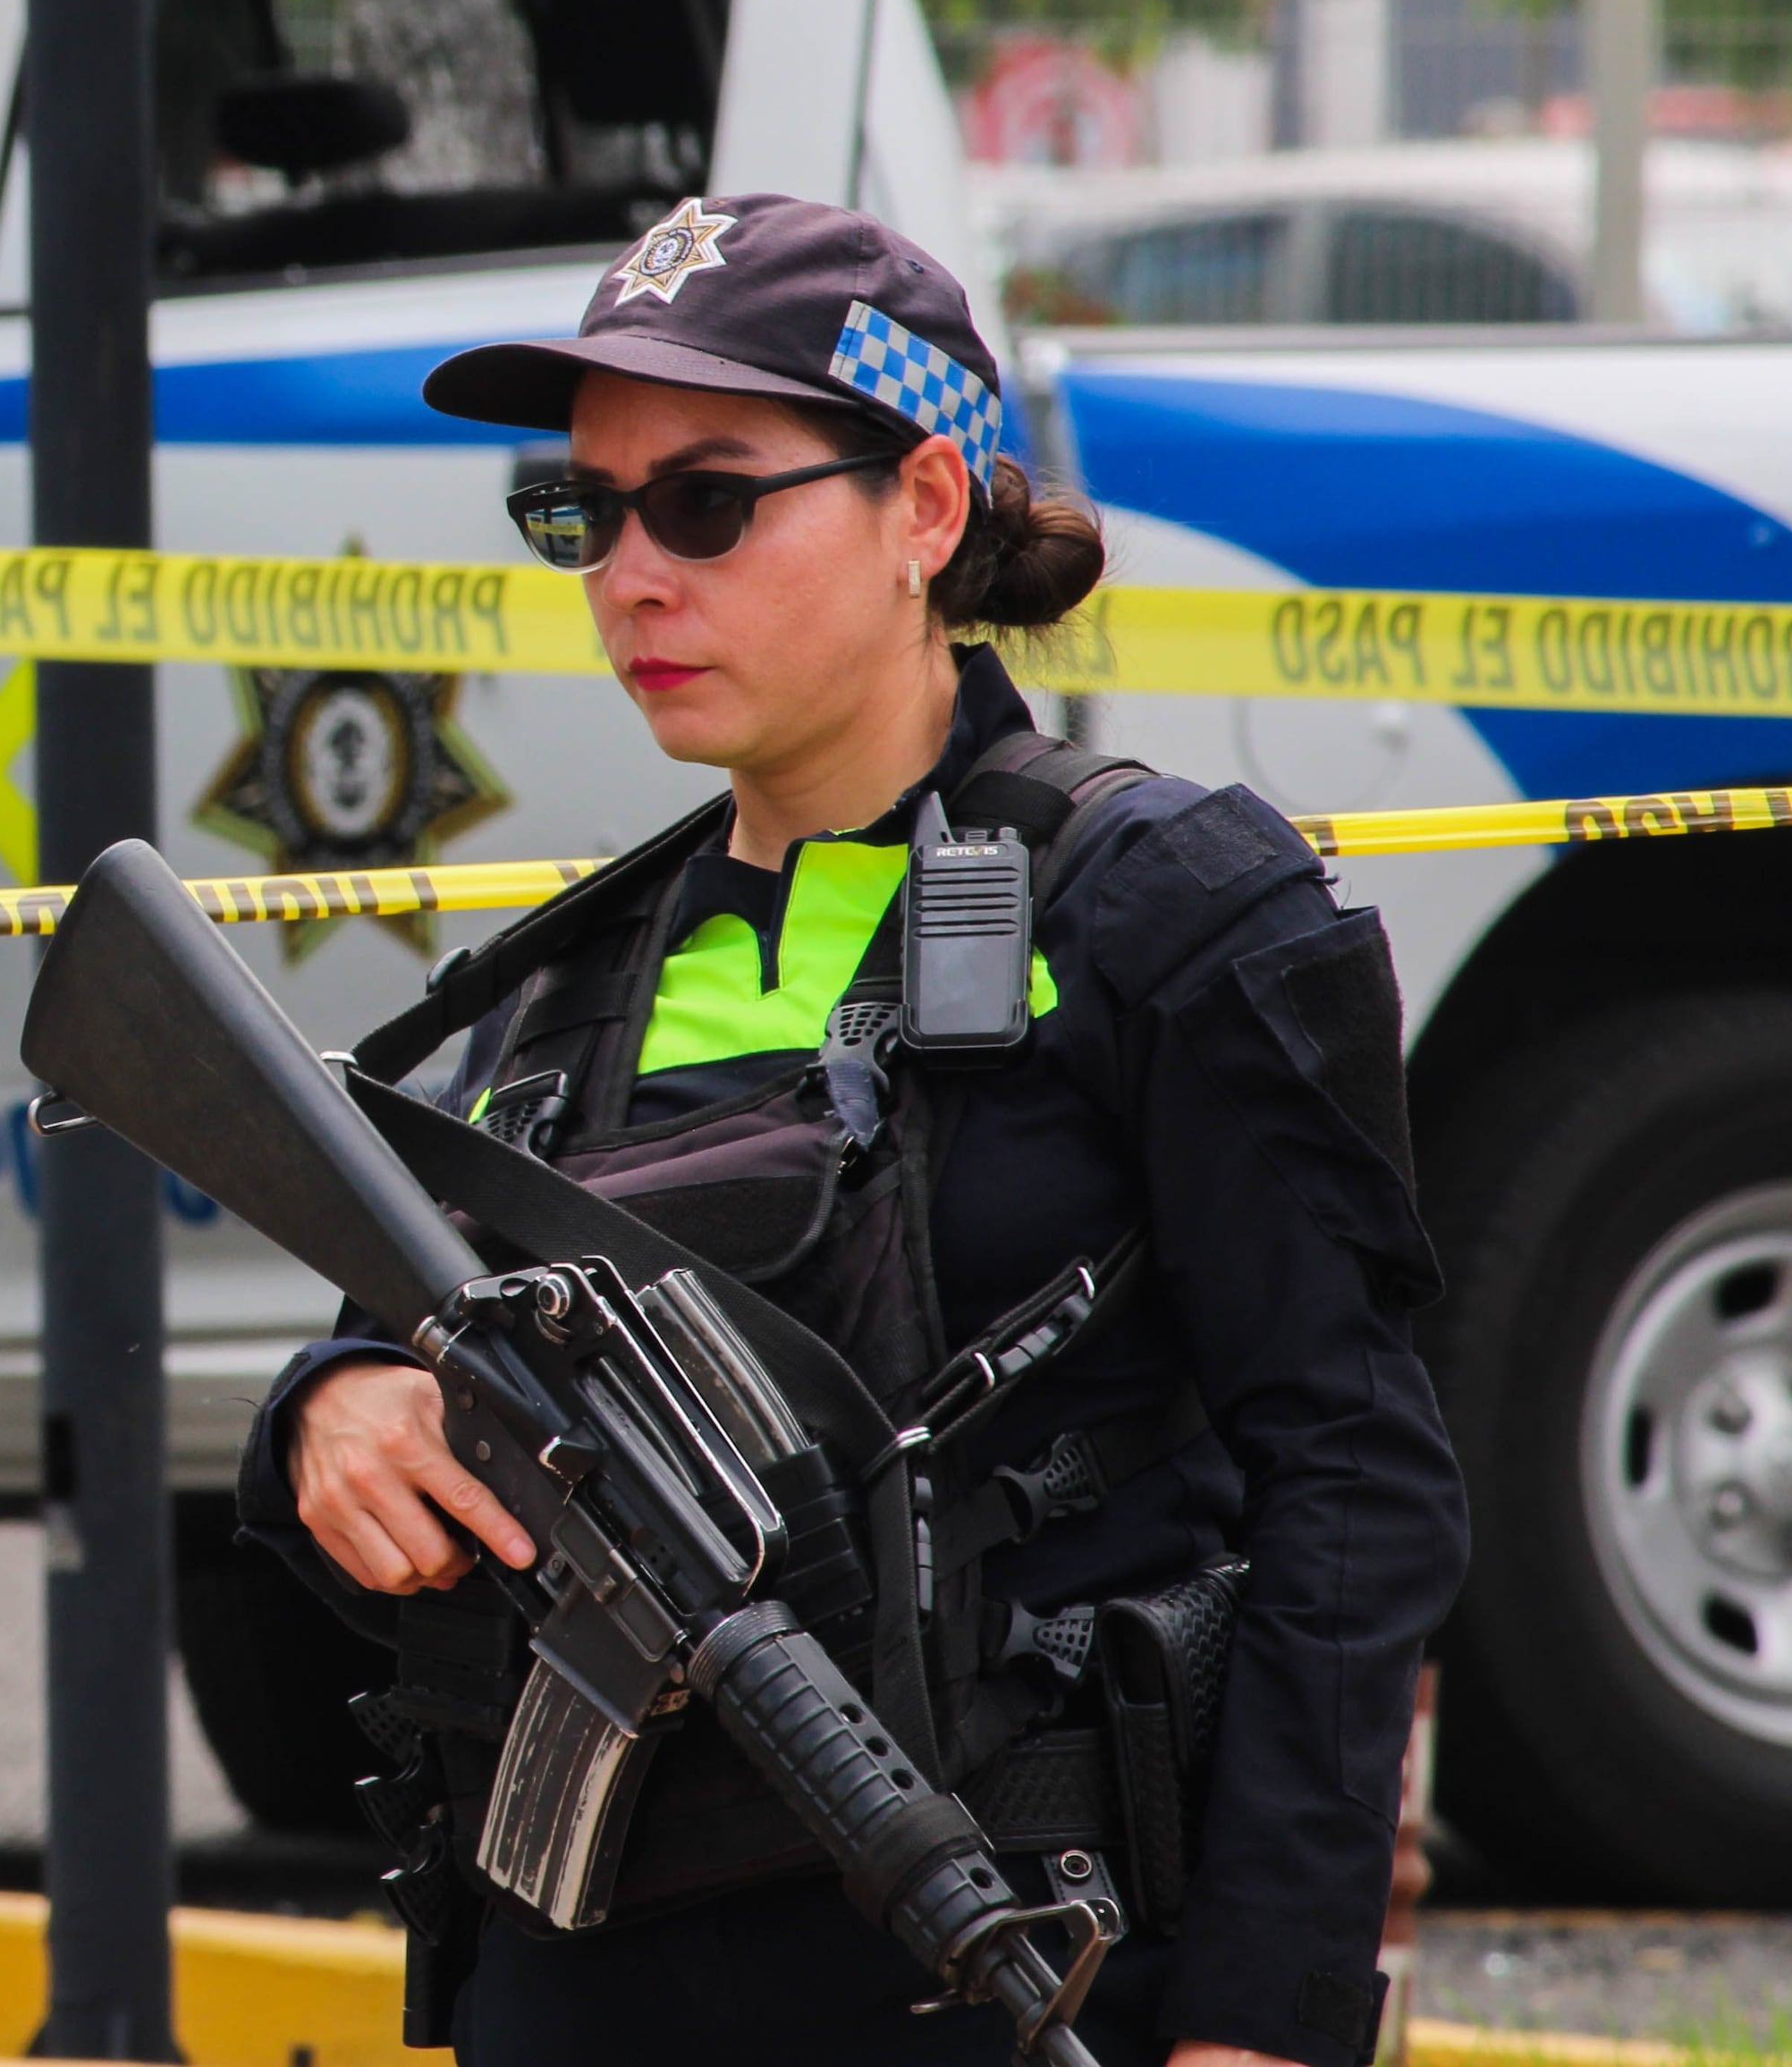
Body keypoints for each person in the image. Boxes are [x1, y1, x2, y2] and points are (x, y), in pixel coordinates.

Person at [234, 195, 1465, 2067]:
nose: (630, 573)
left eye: (709, 501)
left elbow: (1359, 1487)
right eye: (581, 510)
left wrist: (1269, 2017)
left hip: (1021, 1969)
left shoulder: (1165, 907)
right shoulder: (570, 984)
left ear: (925, 509)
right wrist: (331, 1411)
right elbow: (430, 1349)